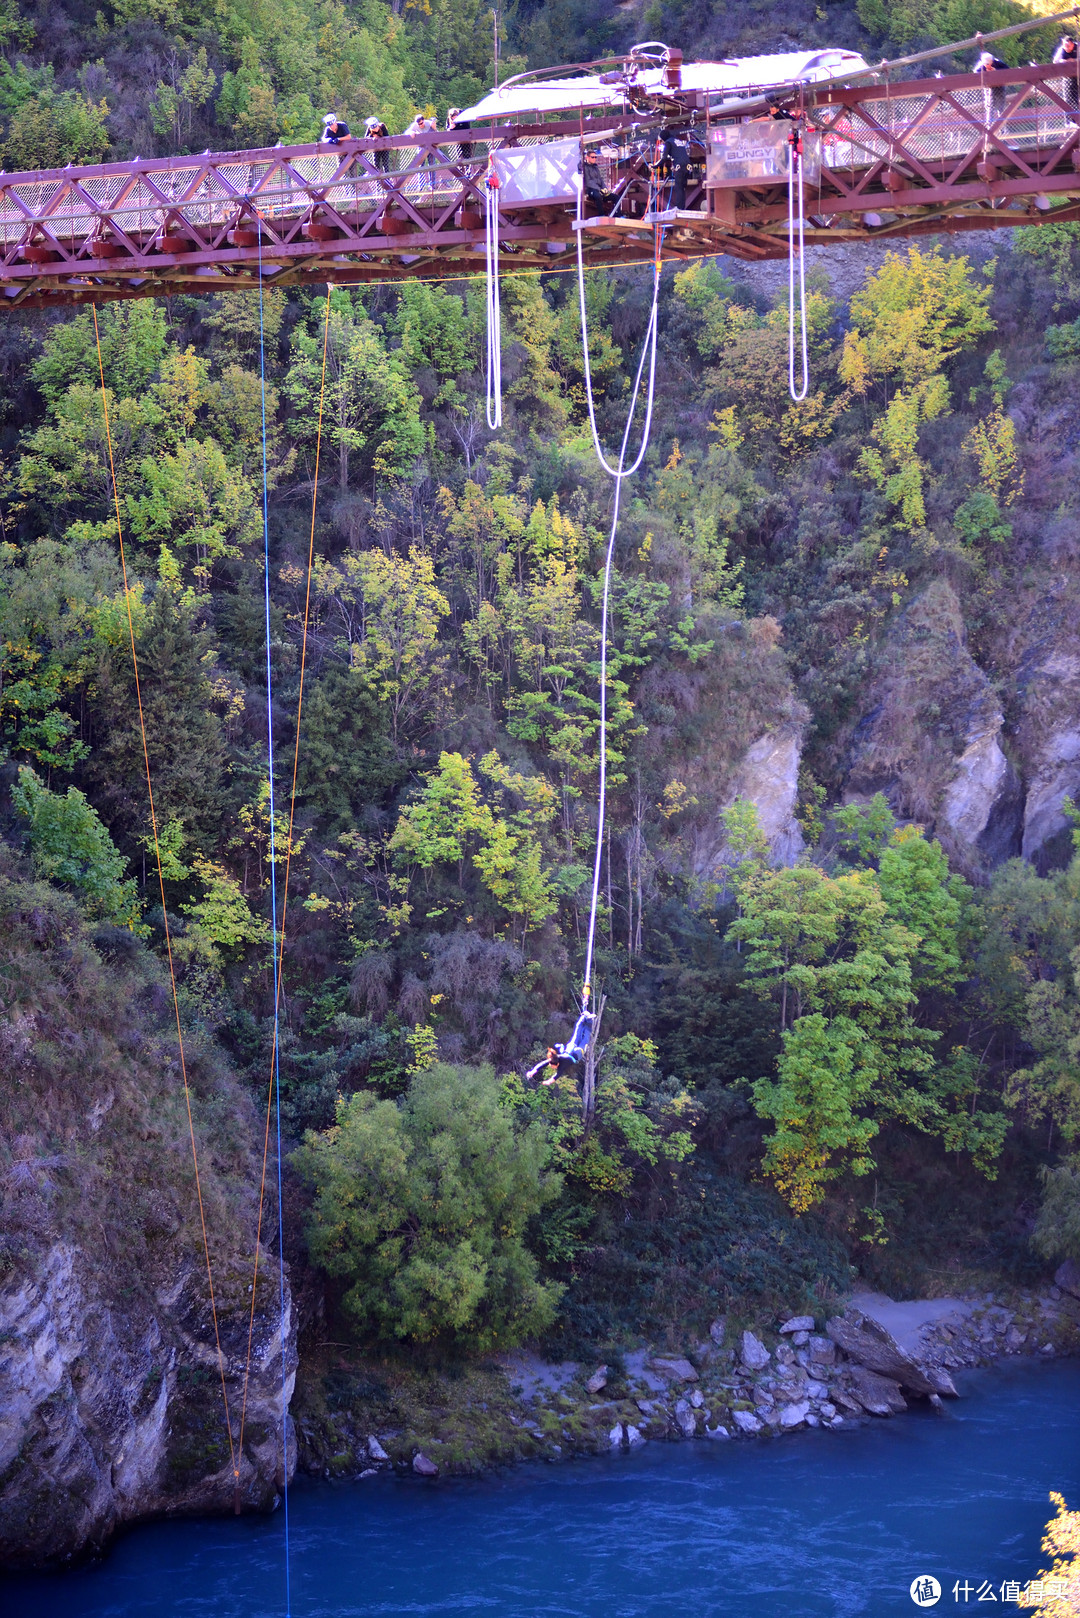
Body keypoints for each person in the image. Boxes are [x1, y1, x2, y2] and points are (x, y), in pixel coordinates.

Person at [525, 1008, 595, 1086]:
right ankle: (584, 1017)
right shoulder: (556, 1058)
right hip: (570, 1048)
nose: (551, 1067)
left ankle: (589, 1020)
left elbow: (555, 1076)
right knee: (578, 1031)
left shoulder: (561, 1066)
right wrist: (532, 1071)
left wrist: (547, 1081)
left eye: (552, 1066)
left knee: (585, 1038)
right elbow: (541, 1065)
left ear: (557, 1064)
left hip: (577, 1053)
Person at [659, 128, 694, 210]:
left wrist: (655, 166)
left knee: (678, 187)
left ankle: (679, 208)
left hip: (680, 166)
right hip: (688, 165)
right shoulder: (677, 140)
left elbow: (664, 158)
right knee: (682, 187)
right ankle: (682, 207)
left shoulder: (668, 142)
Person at [974, 49, 1010, 120]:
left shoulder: (998, 62)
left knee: (1001, 108)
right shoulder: (981, 65)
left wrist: (996, 71)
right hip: (988, 88)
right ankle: (990, 126)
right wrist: (985, 72)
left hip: (1000, 87)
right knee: (990, 107)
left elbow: (1007, 70)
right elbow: (976, 72)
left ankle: (1002, 128)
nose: (987, 65)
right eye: (986, 63)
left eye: (989, 63)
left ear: (992, 61)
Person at [1054, 34, 1080, 114]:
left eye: (1068, 46)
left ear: (1072, 44)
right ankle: (1069, 121)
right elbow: (1055, 61)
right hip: (1067, 78)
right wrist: (1063, 61)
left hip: (1078, 76)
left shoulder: (1078, 48)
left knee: (1077, 98)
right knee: (1068, 99)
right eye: (1065, 45)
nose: (1066, 48)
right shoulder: (1061, 50)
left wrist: (1073, 60)